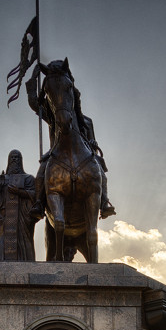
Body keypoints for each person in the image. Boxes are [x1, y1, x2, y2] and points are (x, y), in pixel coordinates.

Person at [25, 61, 116, 221]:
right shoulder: (54, 118)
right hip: (57, 153)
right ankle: (39, 203)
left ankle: (104, 202)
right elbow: (34, 103)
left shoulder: (86, 122)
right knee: (42, 170)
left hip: (85, 156)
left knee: (100, 167)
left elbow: (92, 142)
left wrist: (93, 143)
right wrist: (34, 76)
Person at [0, 150, 36, 261]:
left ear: (21, 160)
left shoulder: (29, 179)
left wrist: (19, 192)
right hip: (4, 219)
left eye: (17, 157)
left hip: (22, 220)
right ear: (8, 160)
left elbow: (36, 197)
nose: (14, 159)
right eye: (12, 157)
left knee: (23, 248)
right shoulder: (2, 179)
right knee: (0, 247)